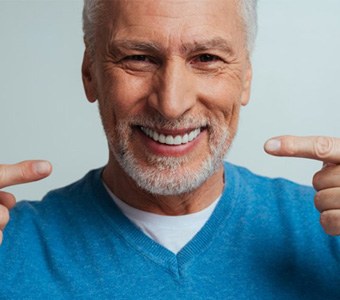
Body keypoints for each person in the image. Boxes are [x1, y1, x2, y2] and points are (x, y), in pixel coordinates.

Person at [1, 0, 340, 298]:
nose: (171, 104)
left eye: (207, 58)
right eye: (139, 58)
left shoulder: (328, 232)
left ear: (245, 79)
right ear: (90, 74)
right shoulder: (9, 247)